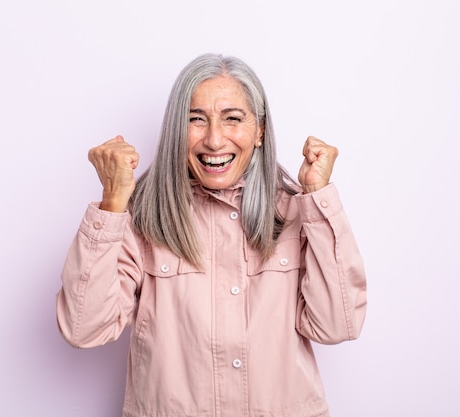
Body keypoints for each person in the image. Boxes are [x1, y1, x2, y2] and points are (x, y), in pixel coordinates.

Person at [56, 53, 367, 417]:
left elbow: (338, 325)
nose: (215, 140)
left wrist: (317, 199)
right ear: (176, 130)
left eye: (233, 118)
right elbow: (83, 329)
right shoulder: (143, 217)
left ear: (260, 130)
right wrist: (112, 204)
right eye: (195, 120)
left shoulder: (298, 213)